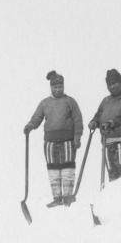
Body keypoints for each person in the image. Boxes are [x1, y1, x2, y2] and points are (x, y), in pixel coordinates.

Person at [24, 71, 83, 207]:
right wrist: (30, 126)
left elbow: (78, 120)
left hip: (68, 142)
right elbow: (37, 118)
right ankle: (57, 198)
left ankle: (68, 197)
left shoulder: (70, 101)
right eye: (55, 87)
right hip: (50, 143)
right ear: (51, 87)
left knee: (67, 168)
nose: (58, 89)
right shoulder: (45, 103)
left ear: (63, 86)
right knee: (53, 170)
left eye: (60, 87)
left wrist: (77, 137)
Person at [88, 69, 121, 182]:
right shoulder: (106, 101)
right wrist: (94, 122)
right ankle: (112, 197)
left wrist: (112, 123)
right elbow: (99, 115)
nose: (113, 86)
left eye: (115, 83)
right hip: (107, 142)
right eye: (110, 84)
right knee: (112, 171)